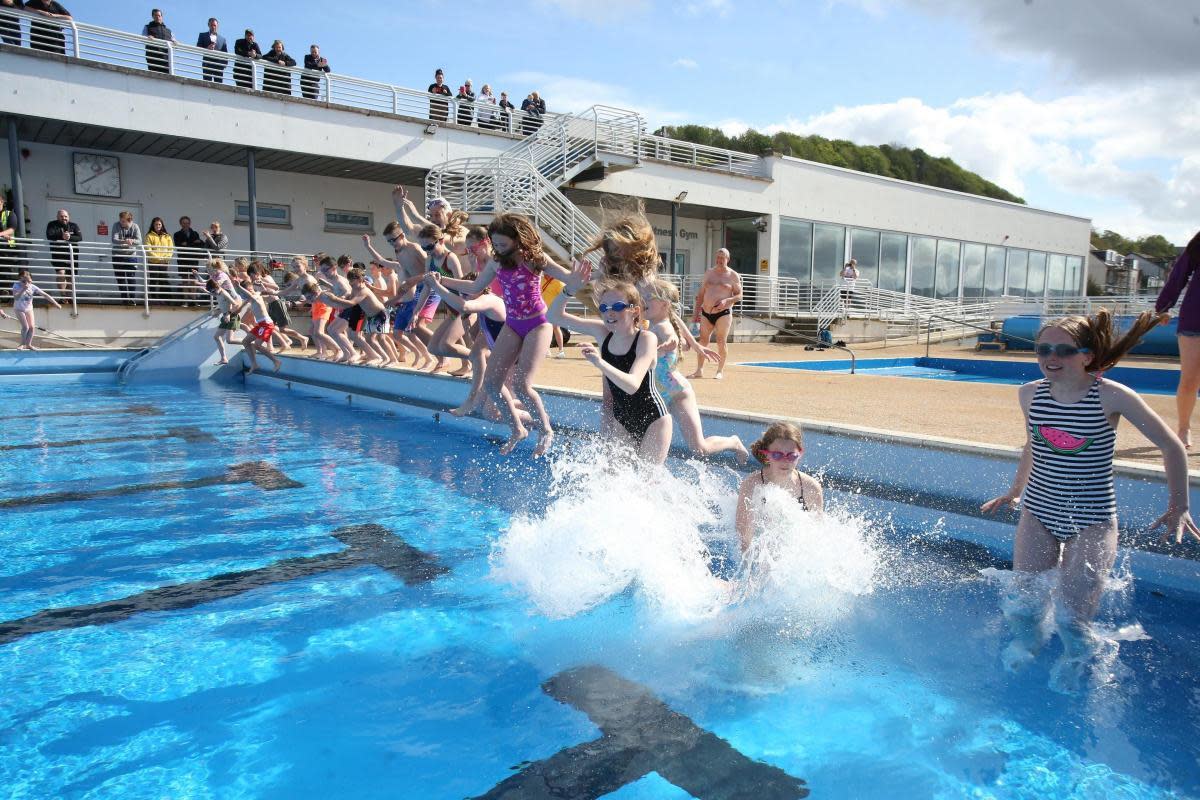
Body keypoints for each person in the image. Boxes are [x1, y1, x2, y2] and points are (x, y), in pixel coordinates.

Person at [981, 310, 1198, 687]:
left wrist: (1179, 504)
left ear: (1087, 355)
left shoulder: (1111, 396)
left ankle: (1076, 660)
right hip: (1039, 511)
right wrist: (1015, 491)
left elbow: (1171, 446)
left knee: (1072, 618)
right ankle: (1027, 647)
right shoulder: (1029, 394)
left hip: (1092, 518)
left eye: (1063, 351)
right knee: (1023, 606)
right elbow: (1034, 444)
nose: (1051, 357)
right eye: (1043, 349)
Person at [443, 214, 571, 456]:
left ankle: (545, 430)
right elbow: (473, 287)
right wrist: (443, 280)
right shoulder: (495, 262)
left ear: (518, 239)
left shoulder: (535, 259)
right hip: (512, 324)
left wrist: (588, 277)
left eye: (503, 244)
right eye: (496, 244)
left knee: (522, 386)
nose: (499, 248)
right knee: (491, 384)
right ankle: (518, 429)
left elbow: (567, 277)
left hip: (537, 323)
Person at [549, 268, 671, 464]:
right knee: (614, 480)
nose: (609, 312)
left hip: (654, 420)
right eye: (604, 308)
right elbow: (553, 317)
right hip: (622, 420)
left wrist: (599, 362)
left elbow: (632, 385)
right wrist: (569, 290)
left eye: (617, 306)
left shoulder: (646, 339)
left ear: (635, 310)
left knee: (647, 484)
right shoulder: (602, 333)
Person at [646, 279, 749, 461]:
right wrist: (693, 344)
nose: (642, 300)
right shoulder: (655, 321)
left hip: (677, 392)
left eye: (648, 297)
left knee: (699, 448)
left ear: (664, 304)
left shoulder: (662, 328)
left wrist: (670, 345)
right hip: (658, 394)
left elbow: (670, 337)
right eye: (642, 296)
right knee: (652, 445)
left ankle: (733, 442)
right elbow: (674, 319)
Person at [735, 421, 824, 553]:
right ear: (766, 455)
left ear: (800, 455)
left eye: (791, 456)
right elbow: (744, 541)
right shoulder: (752, 485)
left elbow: (817, 537)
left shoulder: (810, 488)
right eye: (777, 455)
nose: (785, 461)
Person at [1154, 230, 1200, 448]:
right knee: (1190, 379)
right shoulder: (1198, 243)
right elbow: (1178, 276)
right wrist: (1162, 307)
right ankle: (1184, 428)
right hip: (1194, 319)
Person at [364, 226, 434, 369]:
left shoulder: (414, 248)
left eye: (393, 240)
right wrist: (368, 246)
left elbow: (430, 267)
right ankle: (418, 353)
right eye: (389, 241)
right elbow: (381, 260)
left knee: (415, 332)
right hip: (404, 302)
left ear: (402, 235)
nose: (392, 244)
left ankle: (429, 357)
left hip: (417, 296)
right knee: (397, 334)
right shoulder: (399, 257)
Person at [316, 267, 388, 366]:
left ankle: (384, 358)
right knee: (367, 338)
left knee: (379, 339)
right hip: (371, 315)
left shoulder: (363, 290)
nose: (350, 283)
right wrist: (340, 297)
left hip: (379, 314)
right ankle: (377, 357)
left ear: (360, 280)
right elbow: (349, 296)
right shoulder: (355, 288)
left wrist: (335, 298)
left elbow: (351, 303)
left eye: (352, 281)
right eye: (349, 281)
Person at [690, 248, 742, 380]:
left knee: (721, 341)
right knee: (703, 341)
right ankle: (699, 370)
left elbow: (739, 295)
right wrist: (695, 314)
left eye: (722, 258)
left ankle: (719, 370)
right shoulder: (709, 273)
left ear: (728, 259)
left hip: (723, 313)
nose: (719, 260)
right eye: (718, 257)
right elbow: (701, 294)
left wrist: (727, 300)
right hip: (706, 312)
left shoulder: (733, 275)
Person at [391, 185, 469, 256]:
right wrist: (399, 208)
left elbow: (446, 242)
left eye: (437, 215)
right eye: (431, 216)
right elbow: (408, 228)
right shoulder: (430, 231)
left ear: (448, 215)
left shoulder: (462, 231)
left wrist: (417, 216)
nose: (433, 219)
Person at [230, 277, 281, 373]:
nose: (244, 294)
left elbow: (255, 294)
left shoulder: (256, 296)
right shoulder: (249, 299)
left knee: (257, 345)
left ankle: (276, 361)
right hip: (260, 324)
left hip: (266, 324)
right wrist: (232, 313)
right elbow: (239, 309)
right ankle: (254, 364)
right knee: (245, 342)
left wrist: (239, 286)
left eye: (248, 291)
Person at [10, 267, 61, 349]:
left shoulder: (32, 286)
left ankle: (29, 344)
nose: (27, 282)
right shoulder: (16, 285)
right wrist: (23, 289)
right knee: (25, 327)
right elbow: (16, 298)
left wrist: (56, 303)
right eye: (24, 280)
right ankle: (22, 344)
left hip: (28, 308)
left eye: (29, 280)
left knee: (32, 327)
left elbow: (45, 295)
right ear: (20, 279)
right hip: (19, 309)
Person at [45, 208, 80, 297]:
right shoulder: (52, 224)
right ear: (57, 217)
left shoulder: (74, 225)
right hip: (58, 254)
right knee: (61, 274)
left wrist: (69, 237)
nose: (64, 218)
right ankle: (63, 296)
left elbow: (79, 237)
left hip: (72, 255)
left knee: (70, 277)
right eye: (61, 216)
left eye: (66, 216)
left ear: (69, 217)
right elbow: (49, 235)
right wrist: (62, 236)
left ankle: (69, 297)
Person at [110, 210, 142, 304]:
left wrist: (131, 241)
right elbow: (114, 239)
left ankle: (132, 299)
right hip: (117, 255)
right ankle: (125, 299)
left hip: (131, 256)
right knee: (120, 279)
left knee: (131, 277)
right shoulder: (116, 225)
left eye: (123, 221)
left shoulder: (135, 226)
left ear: (129, 220)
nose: (121, 223)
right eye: (120, 220)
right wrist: (125, 241)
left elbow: (139, 241)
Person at [173, 216, 204, 305]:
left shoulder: (195, 233)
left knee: (193, 280)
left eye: (187, 223)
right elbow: (178, 246)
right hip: (183, 259)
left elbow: (200, 244)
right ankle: (186, 300)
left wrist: (187, 244)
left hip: (193, 259)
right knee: (185, 280)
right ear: (181, 224)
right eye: (184, 223)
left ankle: (194, 300)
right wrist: (192, 243)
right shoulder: (177, 234)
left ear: (189, 223)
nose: (186, 225)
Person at [144, 216, 173, 302]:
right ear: (153, 225)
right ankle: (153, 299)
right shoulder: (149, 236)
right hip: (153, 262)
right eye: (156, 224)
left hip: (164, 262)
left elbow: (170, 249)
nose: (158, 226)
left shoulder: (167, 236)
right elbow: (148, 249)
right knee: (154, 280)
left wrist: (166, 258)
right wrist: (158, 258)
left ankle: (163, 299)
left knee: (163, 280)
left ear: (162, 225)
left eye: (159, 224)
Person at [141, 8, 175, 75]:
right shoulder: (147, 27)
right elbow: (143, 38)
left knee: (167, 78)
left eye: (159, 16)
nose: (158, 17)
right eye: (156, 15)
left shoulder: (168, 30)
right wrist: (147, 38)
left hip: (166, 59)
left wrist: (175, 42)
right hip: (153, 57)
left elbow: (174, 41)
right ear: (152, 17)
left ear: (161, 17)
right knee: (154, 77)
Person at [197, 17, 227, 83]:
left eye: (215, 25)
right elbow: (198, 47)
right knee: (206, 85)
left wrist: (224, 65)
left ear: (217, 26)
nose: (213, 27)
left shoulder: (222, 39)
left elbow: (225, 53)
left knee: (219, 86)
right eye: (211, 25)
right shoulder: (202, 35)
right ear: (208, 25)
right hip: (207, 64)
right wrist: (207, 49)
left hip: (219, 66)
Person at [0, 194, 21, 284]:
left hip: (7, 249)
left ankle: (6, 292)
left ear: (1, 202)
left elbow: (12, 229)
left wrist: (0, 234)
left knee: (6, 270)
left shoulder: (9, 214)